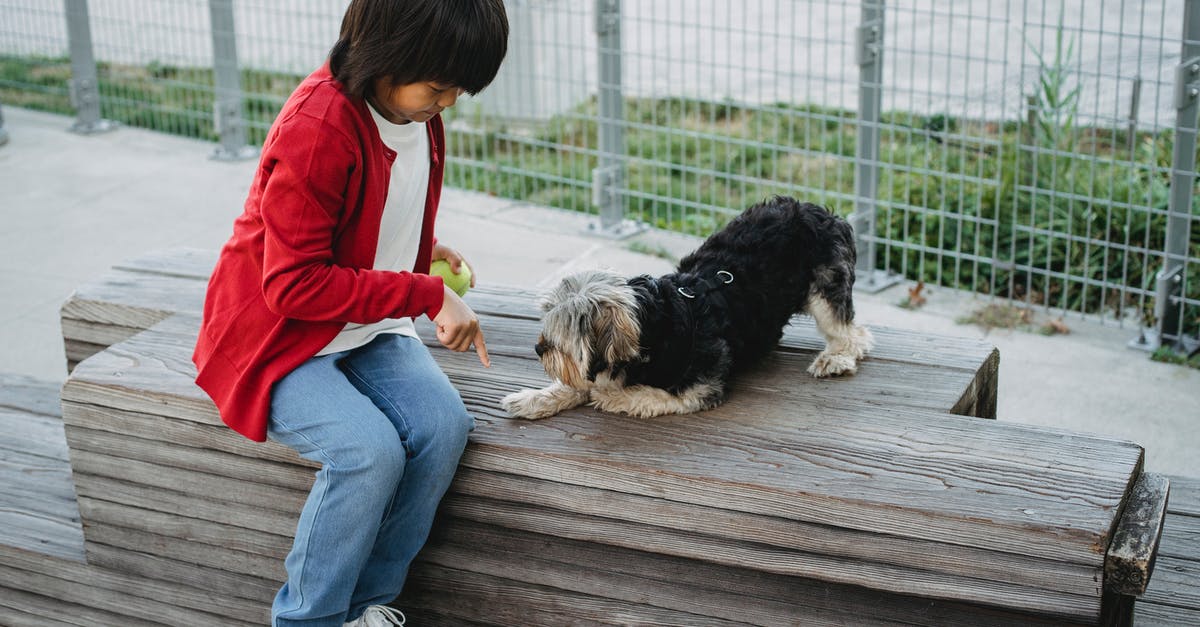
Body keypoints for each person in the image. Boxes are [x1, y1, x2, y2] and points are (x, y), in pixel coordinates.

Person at [191, 1, 508, 625]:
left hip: (361, 327)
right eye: (438, 88)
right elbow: (293, 284)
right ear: (387, 55)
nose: (446, 104)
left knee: (444, 427)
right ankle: (307, 619)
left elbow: (374, 202)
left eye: (457, 92)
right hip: (276, 338)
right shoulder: (317, 128)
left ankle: (368, 607)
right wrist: (424, 291)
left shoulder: (412, 112)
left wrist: (421, 247)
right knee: (368, 451)